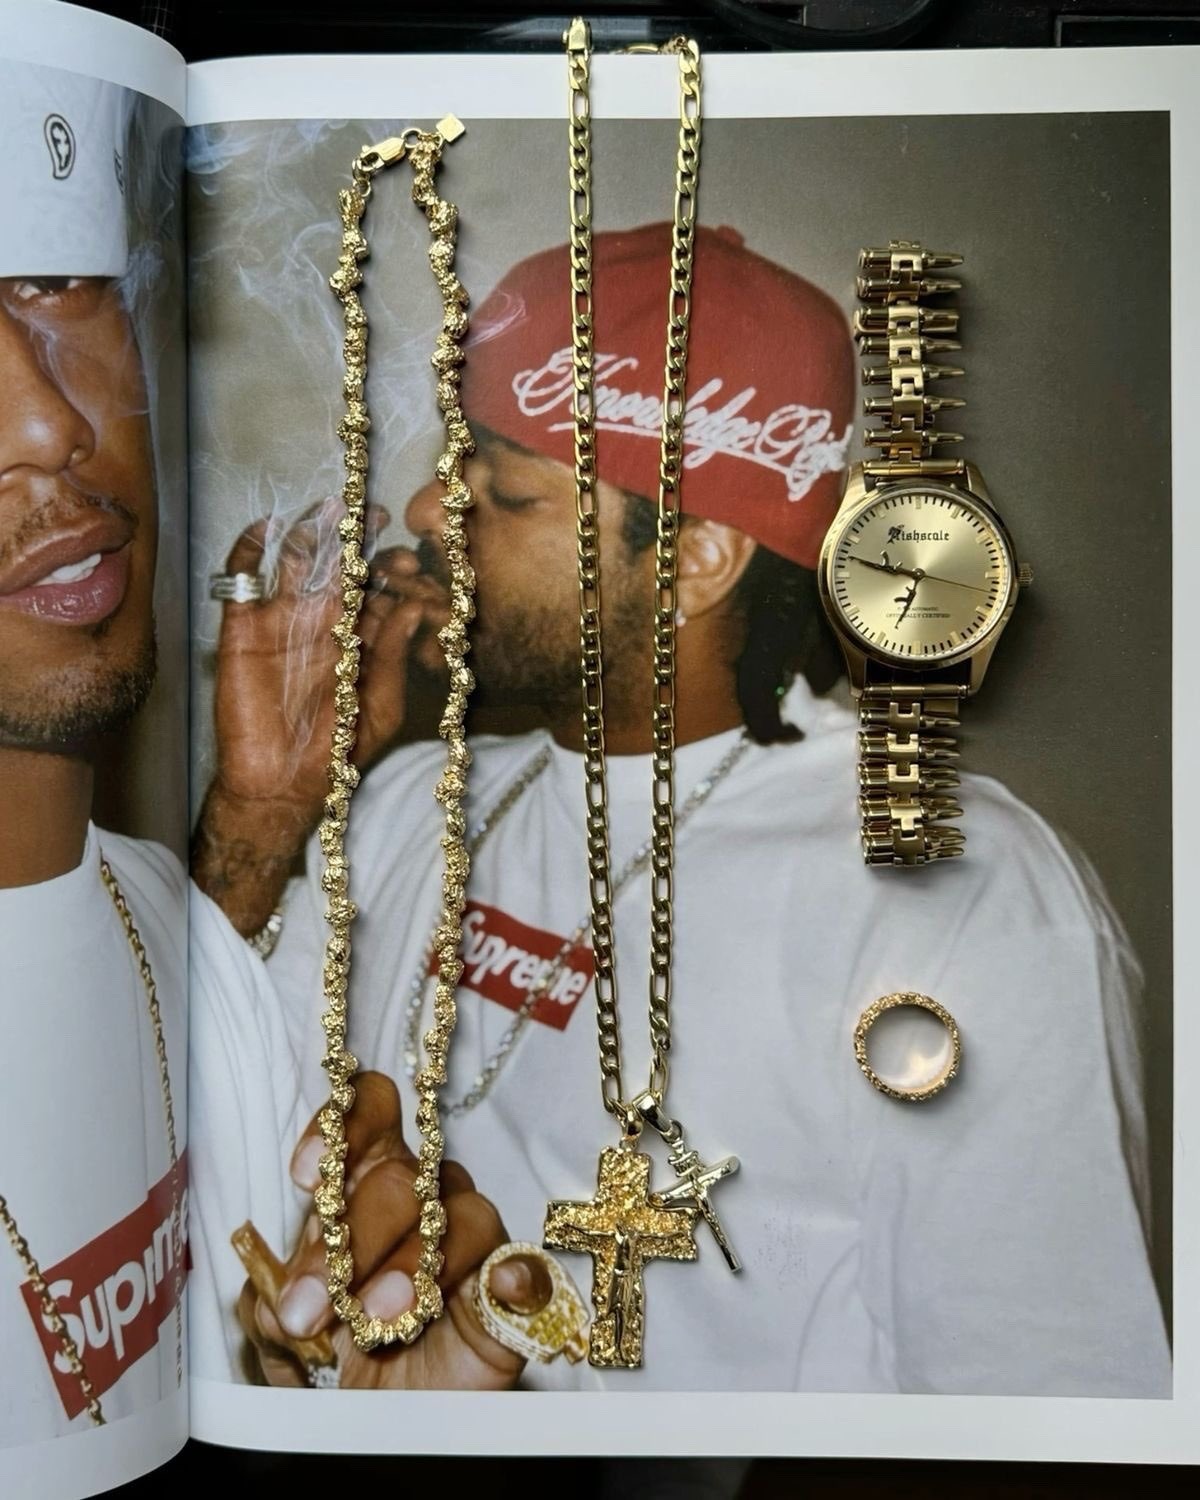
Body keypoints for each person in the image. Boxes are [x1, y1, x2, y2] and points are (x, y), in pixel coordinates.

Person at [189, 224, 1171, 1398]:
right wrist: (262, 810)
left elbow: (1031, 1415)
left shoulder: (950, 891)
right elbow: (202, 1137)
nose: (425, 508)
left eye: (502, 490)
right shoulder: (412, 800)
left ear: (696, 560)